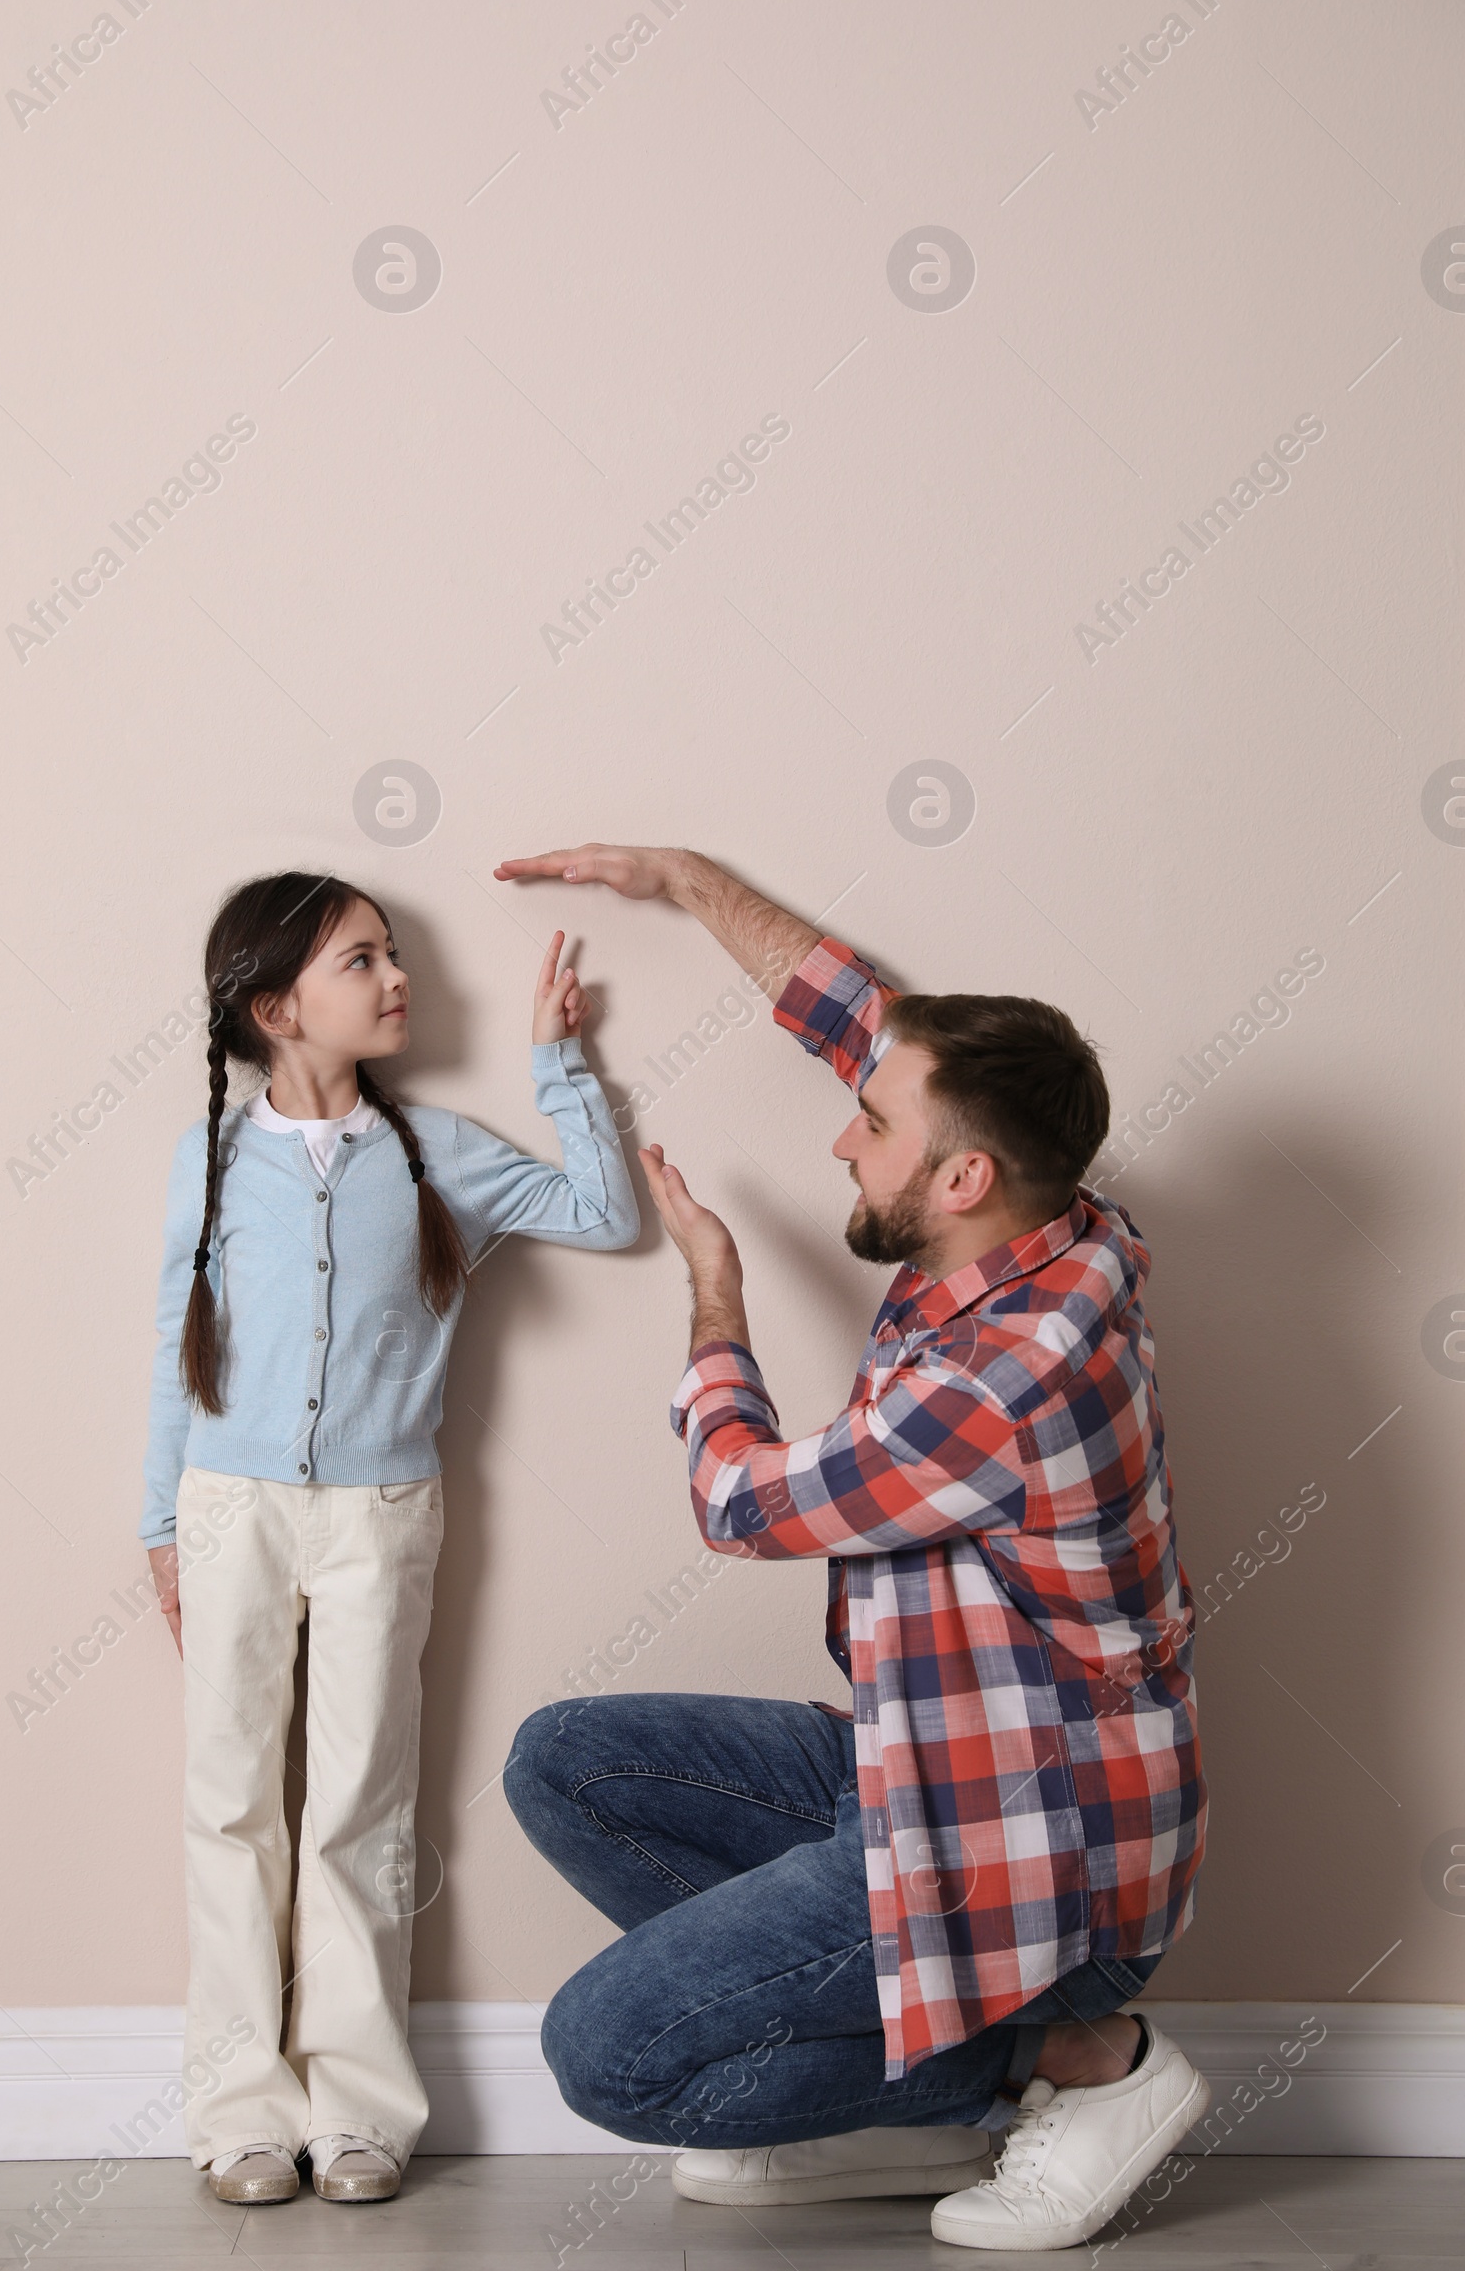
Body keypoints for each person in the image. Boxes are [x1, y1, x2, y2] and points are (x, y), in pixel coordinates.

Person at [497, 842, 1210, 2253]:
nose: (841, 1133)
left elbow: (742, 1501)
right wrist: (683, 880)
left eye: (870, 1126)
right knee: (565, 1761)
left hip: (1032, 1864)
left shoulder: (1006, 1382)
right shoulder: (1046, 1225)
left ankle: (1070, 2058)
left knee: (608, 2054)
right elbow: (861, 1021)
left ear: (961, 1177)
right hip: (927, 1769)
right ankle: (909, 2080)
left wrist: (715, 1298)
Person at [140, 871, 638, 2205]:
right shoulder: (212, 1156)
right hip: (228, 1507)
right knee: (230, 1803)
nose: (399, 977)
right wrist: (158, 1521)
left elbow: (606, 1214)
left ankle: (360, 2106)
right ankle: (241, 2108)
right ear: (275, 1005)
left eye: (395, 953)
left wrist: (558, 1062)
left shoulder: (441, 1156)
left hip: (382, 1513)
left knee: (362, 1805)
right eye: (364, 961)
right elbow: (170, 1346)